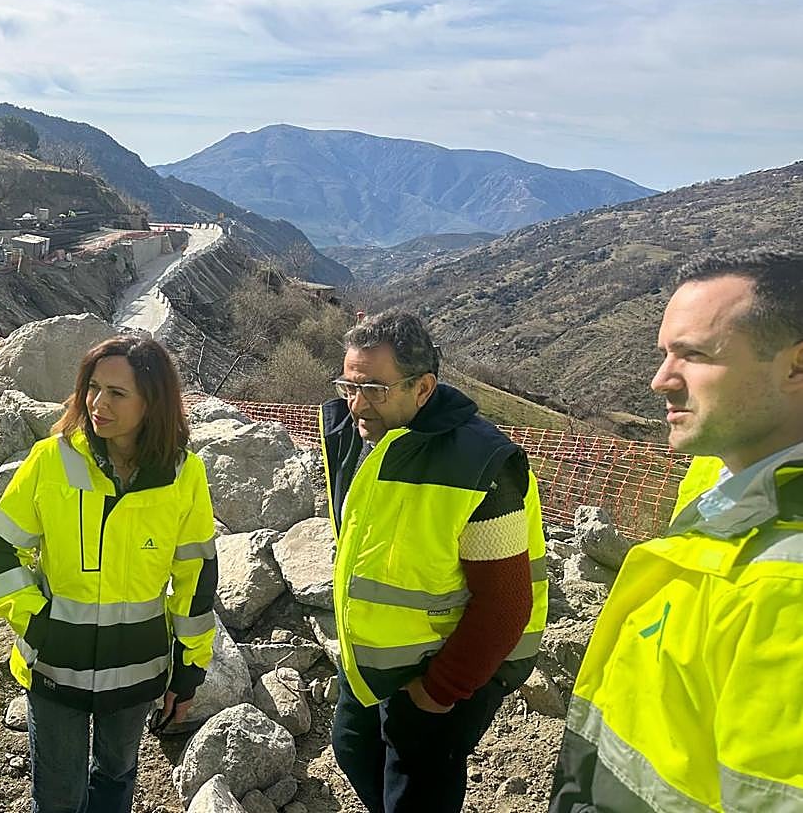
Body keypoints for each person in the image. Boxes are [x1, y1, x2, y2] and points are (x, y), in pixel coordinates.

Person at [550, 250, 803, 812]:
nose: (660, 380)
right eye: (665, 353)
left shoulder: (788, 587)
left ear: (796, 366)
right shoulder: (718, 485)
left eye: (693, 355)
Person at [322, 310, 548, 813]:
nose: (356, 404)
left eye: (374, 389)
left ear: (423, 389)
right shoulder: (354, 436)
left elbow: (506, 604)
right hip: (378, 659)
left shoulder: (481, 465)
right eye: (347, 385)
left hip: (452, 666)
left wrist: (435, 693)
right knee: (353, 746)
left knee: (419, 782)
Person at [0, 335, 217, 813]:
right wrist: (37, 623)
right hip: (55, 664)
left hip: (137, 668)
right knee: (58, 795)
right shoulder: (52, 460)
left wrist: (189, 669)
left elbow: (196, 578)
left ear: (152, 401)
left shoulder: (183, 474)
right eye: (93, 387)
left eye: (117, 393)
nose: (97, 403)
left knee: (115, 778)